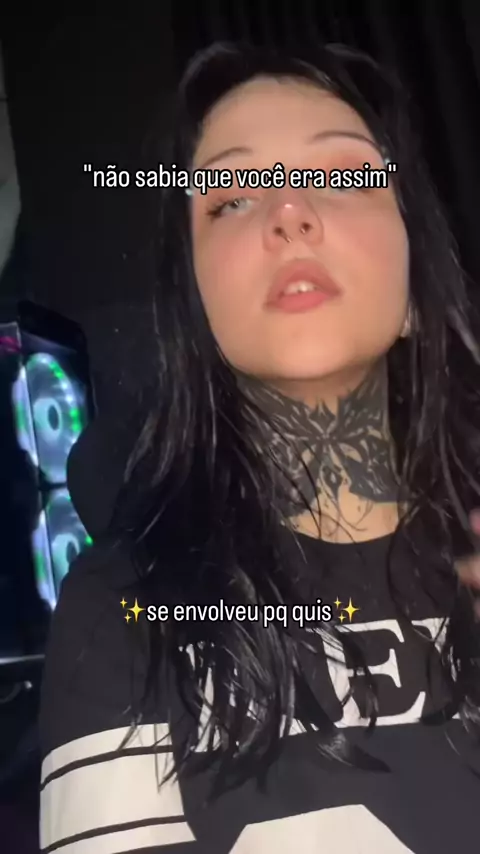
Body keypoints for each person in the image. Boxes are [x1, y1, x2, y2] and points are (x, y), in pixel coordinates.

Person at [39, 41, 480, 854]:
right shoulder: (123, 615)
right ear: (197, 309)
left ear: (418, 285)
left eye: (344, 175)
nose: (289, 210)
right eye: (232, 198)